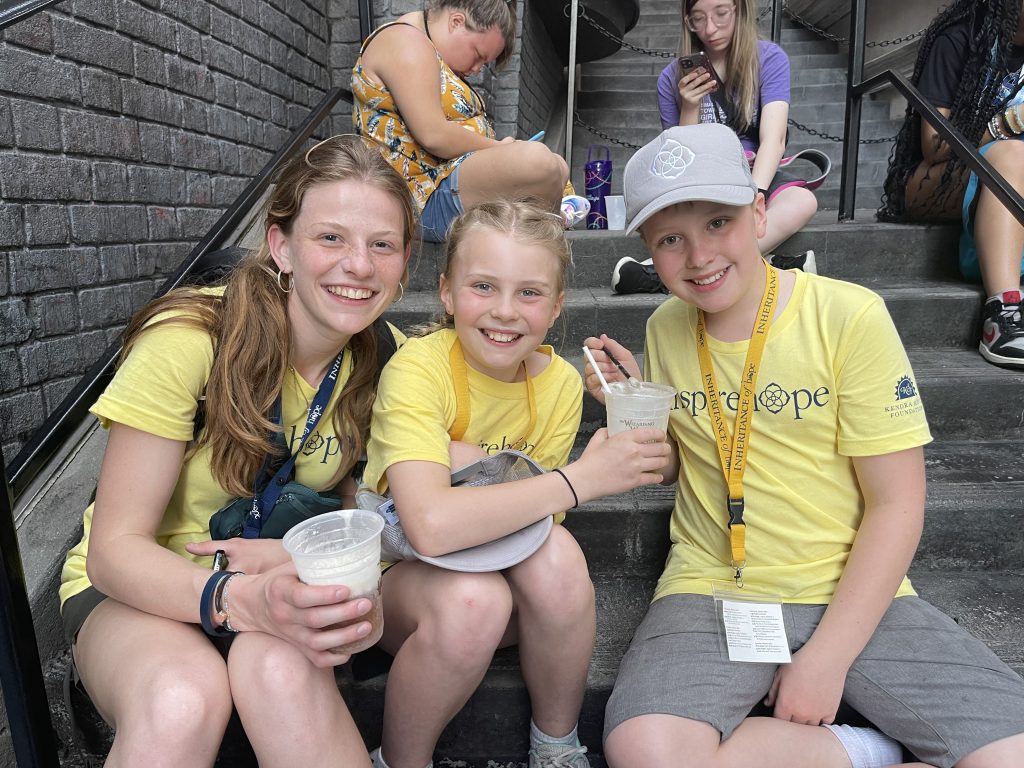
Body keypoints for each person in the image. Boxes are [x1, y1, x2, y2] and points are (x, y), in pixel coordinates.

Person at [586, 124, 1024, 768]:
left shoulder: (850, 315)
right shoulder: (666, 326)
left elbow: (897, 504)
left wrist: (826, 659)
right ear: (651, 250)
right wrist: (637, 420)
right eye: (670, 240)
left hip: (849, 589)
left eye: (717, 222)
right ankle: (863, 750)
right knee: (646, 752)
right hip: (713, 587)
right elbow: (692, 463)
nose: (699, 255)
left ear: (760, 211)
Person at [58, 135, 416, 767]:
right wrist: (241, 599)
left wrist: (360, 599)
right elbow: (114, 551)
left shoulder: (385, 355)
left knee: (279, 665)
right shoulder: (190, 339)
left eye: (381, 244)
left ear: (403, 261)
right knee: (181, 697)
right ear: (281, 246)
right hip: (138, 590)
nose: (359, 265)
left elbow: (374, 502)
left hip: (276, 577)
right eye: (330, 237)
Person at [360, 200, 670, 768]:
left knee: (560, 559)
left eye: (529, 293)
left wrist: (475, 467)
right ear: (448, 292)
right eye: (483, 286)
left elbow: (539, 522)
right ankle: (401, 759)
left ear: (555, 308)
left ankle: (556, 744)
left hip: (504, 582)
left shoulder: (558, 386)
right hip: (403, 589)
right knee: (477, 599)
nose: (505, 312)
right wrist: (576, 480)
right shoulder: (419, 370)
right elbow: (427, 527)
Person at [613, 0, 818, 296]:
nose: (710, 28)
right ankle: (771, 266)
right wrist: (690, 106)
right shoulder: (671, 78)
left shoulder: (768, 59)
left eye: (721, 14)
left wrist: (755, 194)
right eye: (698, 18)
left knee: (803, 202)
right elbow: (681, 162)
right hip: (704, 177)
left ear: (740, 9)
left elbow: (774, 139)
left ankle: (662, 273)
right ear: (687, 20)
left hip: (755, 169)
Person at [879, 0, 1024, 369]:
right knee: (1011, 155)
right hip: (935, 180)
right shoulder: (962, 35)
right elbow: (935, 144)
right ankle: (1003, 314)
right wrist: (1006, 124)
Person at [352, 0, 570, 243]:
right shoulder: (402, 41)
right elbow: (433, 134)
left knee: (556, 165)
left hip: (447, 185)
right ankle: (539, 246)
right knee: (539, 162)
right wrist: (503, 148)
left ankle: (535, 246)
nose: (477, 69)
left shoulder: (430, 51)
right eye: (478, 55)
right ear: (456, 22)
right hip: (419, 201)